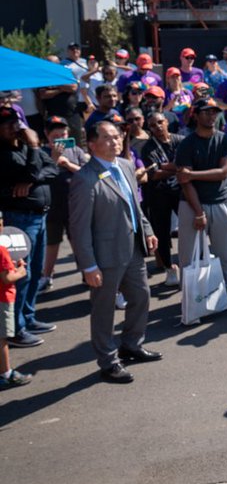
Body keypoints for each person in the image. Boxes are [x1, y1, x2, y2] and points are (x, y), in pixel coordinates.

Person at [68, 120, 162, 383]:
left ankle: (131, 344)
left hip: (132, 247)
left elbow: (135, 204)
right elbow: (79, 227)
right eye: (108, 138)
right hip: (105, 255)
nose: (115, 142)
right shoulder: (84, 179)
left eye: (117, 137)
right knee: (104, 308)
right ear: (92, 144)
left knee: (141, 296)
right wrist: (88, 266)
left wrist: (148, 229)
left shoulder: (126, 165)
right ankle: (108, 361)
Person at [175, 97, 227, 314]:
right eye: (206, 112)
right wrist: (198, 213)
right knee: (188, 258)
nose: (211, 115)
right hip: (191, 205)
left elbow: (223, 173)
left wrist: (192, 174)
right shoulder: (186, 143)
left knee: (225, 254)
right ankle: (190, 303)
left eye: (214, 112)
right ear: (195, 115)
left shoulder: (225, 139)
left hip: (220, 203)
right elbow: (184, 183)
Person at [0, 108, 56, 348]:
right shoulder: (4, 153)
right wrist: (34, 147)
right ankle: (15, 329)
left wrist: (31, 180)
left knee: (35, 269)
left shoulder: (22, 145)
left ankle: (28, 317)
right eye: (7, 124)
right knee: (23, 274)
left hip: (38, 216)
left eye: (16, 121)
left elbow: (51, 169)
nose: (15, 127)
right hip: (19, 217)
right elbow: (33, 169)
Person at [40, 116, 88, 292]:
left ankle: (86, 272)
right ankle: (47, 276)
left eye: (64, 134)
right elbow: (40, 176)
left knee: (77, 240)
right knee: (52, 243)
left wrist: (68, 164)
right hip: (52, 205)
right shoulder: (41, 152)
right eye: (56, 135)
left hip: (75, 203)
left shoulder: (76, 151)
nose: (60, 138)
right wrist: (53, 159)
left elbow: (87, 173)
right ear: (47, 134)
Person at [138, 111, 182, 286]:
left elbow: (186, 164)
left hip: (180, 191)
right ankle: (169, 268)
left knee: (188, 227)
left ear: (166, 122)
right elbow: (153, 174)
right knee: (162, 233)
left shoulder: (180, 140)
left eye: (160, 122)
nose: (157, 127)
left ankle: (192, 261)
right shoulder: (148, 147)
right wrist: (176, 168)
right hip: (158, 194)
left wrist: (168, 167)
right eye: (153, 125)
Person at [0, 212, 32, 388]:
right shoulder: (2, 250)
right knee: (2, 339)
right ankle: (6, 373)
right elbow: (6, 278)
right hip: (2, 299)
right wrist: (20, 271)